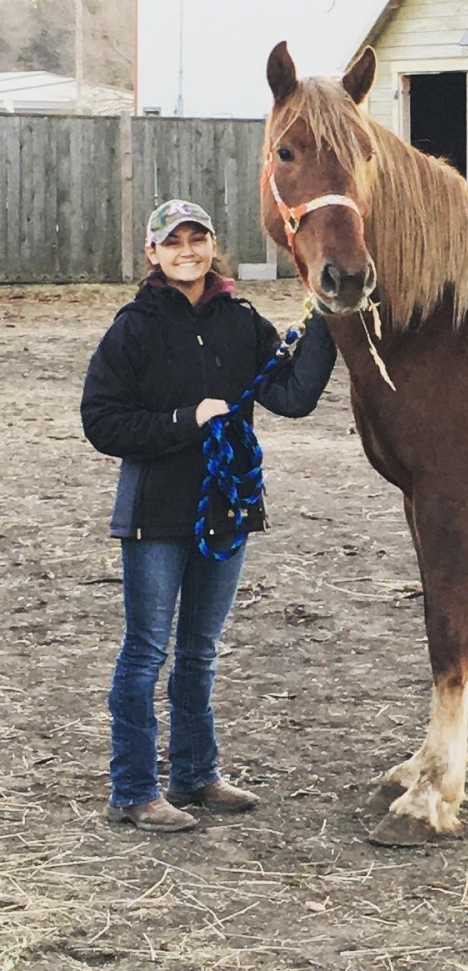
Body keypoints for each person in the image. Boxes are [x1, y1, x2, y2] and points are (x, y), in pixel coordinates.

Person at [81, 199, 338, 833]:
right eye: (174, 242)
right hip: (155, 516)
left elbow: (291, 395)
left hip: (225, 509)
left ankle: (196, 775)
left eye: (197, 239)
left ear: (211, 246)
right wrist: (183, 420)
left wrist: (327, 320)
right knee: (145, 652)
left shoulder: (242, 322)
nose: (187, 251)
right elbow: (102, 420)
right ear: (153, 254)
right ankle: (134, 789)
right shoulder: (133, 328)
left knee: (199, 652)